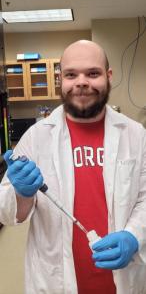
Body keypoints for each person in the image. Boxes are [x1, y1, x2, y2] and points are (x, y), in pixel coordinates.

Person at [0, 40, 146, 294]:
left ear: (108, 77)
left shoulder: (135, 134)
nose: (81, 82)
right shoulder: (36, 137)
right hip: (56, 280)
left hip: (121, 280)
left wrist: (134, 236)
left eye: (92, 73)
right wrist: (22, 193)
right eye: (71, 74)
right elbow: (9, 214)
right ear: (60, 80)